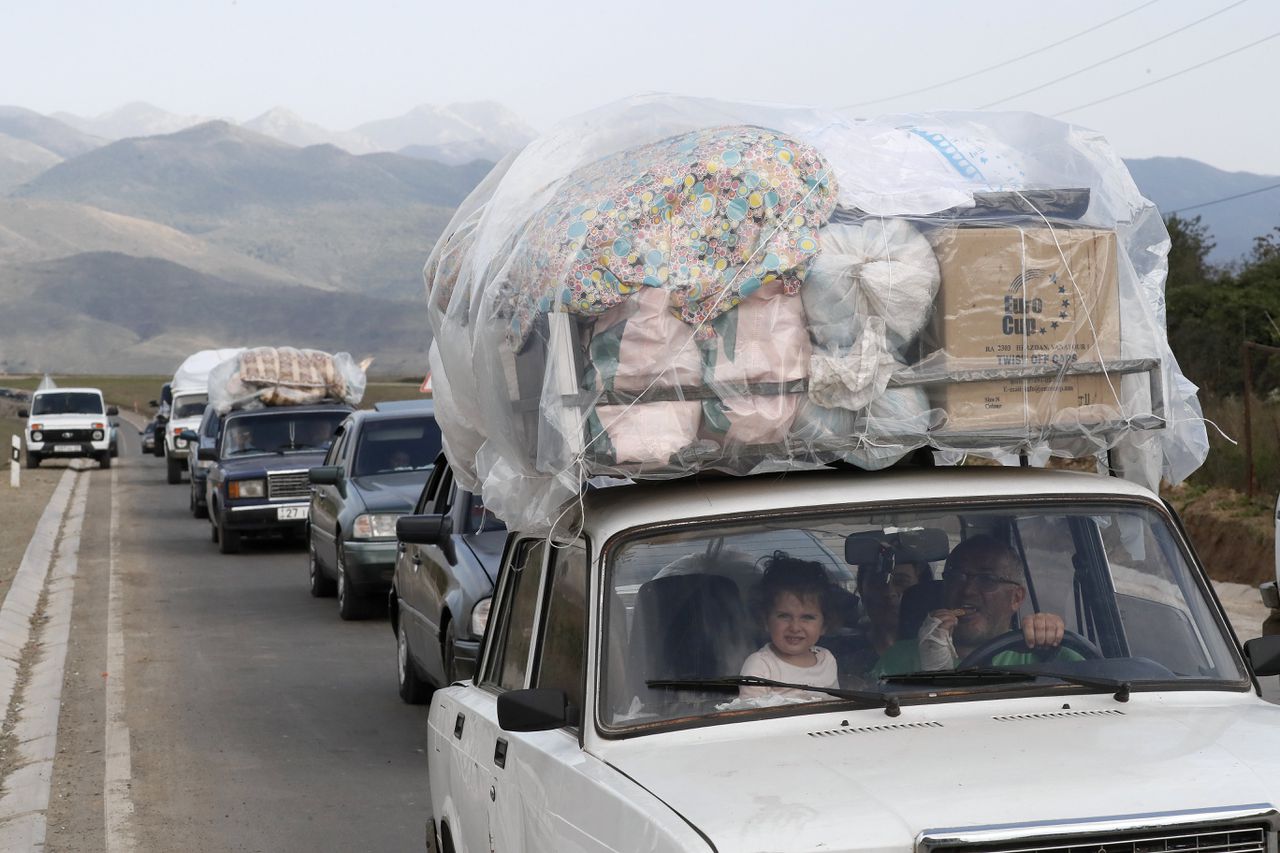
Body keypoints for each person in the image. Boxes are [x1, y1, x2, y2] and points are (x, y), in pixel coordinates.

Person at [872, 535, 1075, 676]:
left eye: (987, 579)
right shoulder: (898, 659)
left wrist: (1052, 634)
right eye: (957, 577)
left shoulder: (1040, 652)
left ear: (1016, 598)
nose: (967, 590)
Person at [739, 553, 840, 700]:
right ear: (766, 620)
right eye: (784, 616)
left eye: (807, 617)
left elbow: (837, 711)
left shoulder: (827, 660)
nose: (795, 627)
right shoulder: (761, 666)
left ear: (824, 624)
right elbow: (751, 717)